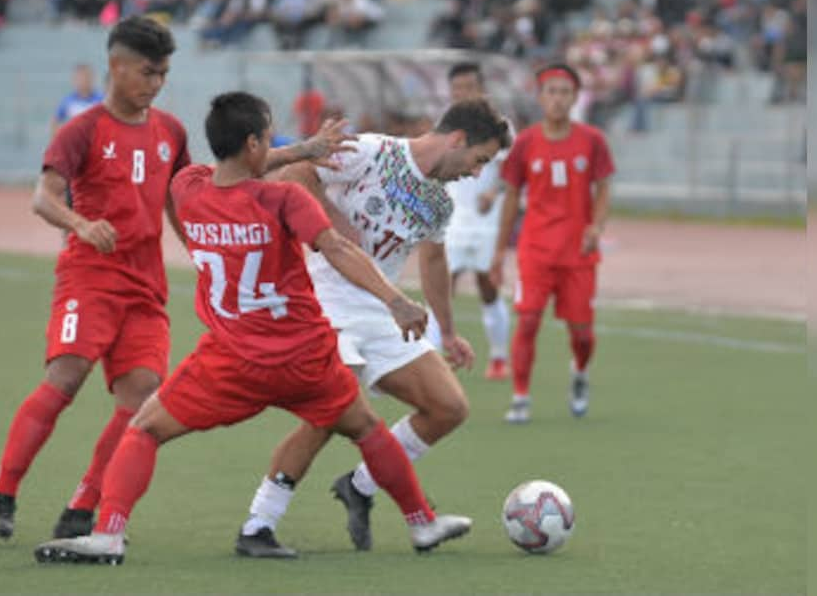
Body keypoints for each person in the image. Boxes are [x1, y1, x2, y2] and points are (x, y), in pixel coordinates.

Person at [32, 92, 472, 564]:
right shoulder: (284, 198)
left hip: (231, 361)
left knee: (143, 430)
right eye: (266, 136)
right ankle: (422, 524)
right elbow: (337, 250)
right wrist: (397, 300)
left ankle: (108, 534)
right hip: (305, 356)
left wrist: (298, 151)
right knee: (367, 429)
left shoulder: (188, 187)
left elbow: (240, 168)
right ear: (253, 143)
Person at [0, 16, 349, 542]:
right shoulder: (81, 129)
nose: (156, 84)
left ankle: (84, 503)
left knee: (141, 399)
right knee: (65, 377)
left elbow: (207, 185)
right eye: (148, 72)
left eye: (164, 74)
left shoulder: (170, 131)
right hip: (89, 278)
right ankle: (4, 493)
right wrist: (81, 224)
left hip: (145, 286)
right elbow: (43, 196)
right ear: (117, 67)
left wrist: (298, 153)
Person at [235, 99, 510, 555]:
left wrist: (449, 330)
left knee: (448, 407)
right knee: (329, 412)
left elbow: (435, 260)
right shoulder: (370, 151)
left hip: (383, 309)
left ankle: (361, 486)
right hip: (325, 301)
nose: (477, 173)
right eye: (479, 160)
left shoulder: (439, 202)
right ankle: (258, 524)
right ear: (458, 140)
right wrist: (332, 218)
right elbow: (294, 175)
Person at [489, 63, 615, 423]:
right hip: (536, 248)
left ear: (575, 97)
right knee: (527, 320)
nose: (558, 99)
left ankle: (579, 372)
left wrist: (596, 226)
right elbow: (511, 197)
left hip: (578, 251)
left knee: (583, 332)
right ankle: (520, 396)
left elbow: (604, 187)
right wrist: (499, 251)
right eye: (551, 91)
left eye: (565, 92)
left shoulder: (592, 140)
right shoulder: (526, 143)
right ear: (540, 97)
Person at [424, 63, 513, 381]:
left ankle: (500, 356)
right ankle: (432, 358)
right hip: (454, 215)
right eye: (457, 87)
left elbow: (512, 171)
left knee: (488, 287)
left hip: (487, 219)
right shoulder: (445, 128)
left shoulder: (499, 126)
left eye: (468, 86)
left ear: (481, 88)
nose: (462, 93)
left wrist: (494, 191)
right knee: (442, 282)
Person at [50, 63, 104, 137]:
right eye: (79, 78)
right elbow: (56, 121)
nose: (82, 81)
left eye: (85, 77)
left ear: (91, 79)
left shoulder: (101, 99)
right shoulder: (68, 101)